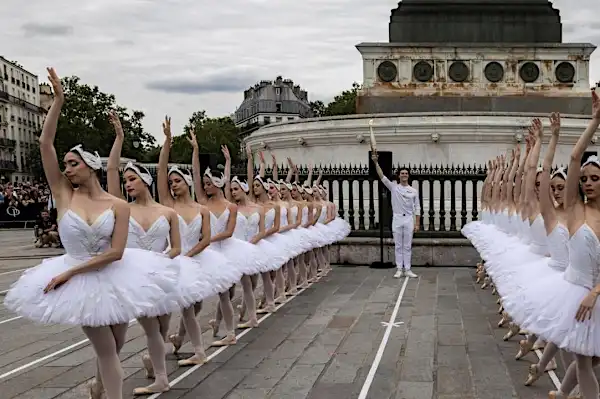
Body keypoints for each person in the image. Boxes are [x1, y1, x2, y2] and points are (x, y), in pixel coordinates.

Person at [4, 68, 175, 399]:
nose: (66, 169)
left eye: (73, 163)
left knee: (116, 344)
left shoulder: (117, 205)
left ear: (90, 166)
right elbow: (44, 142)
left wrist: (69, 272)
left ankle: (98, 388)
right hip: (81, 282)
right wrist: (58, 101)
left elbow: (116, 253)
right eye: (65, 164)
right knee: (108, 350)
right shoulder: (63, 195)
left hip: (113, 276)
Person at [370, 153, 420, 278]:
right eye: (402, 173)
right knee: (398, 245)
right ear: (399, 175)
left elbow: (417, 208)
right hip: (397, 218)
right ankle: (399, 268)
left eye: (406, 173)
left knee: (407, 245)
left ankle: (407, 269)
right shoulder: (394, 188)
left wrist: (417, 223)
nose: (404, 175)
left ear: (408, 176)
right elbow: (382, 177)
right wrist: (376, 162)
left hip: (408, 219)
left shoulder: (414, 191)